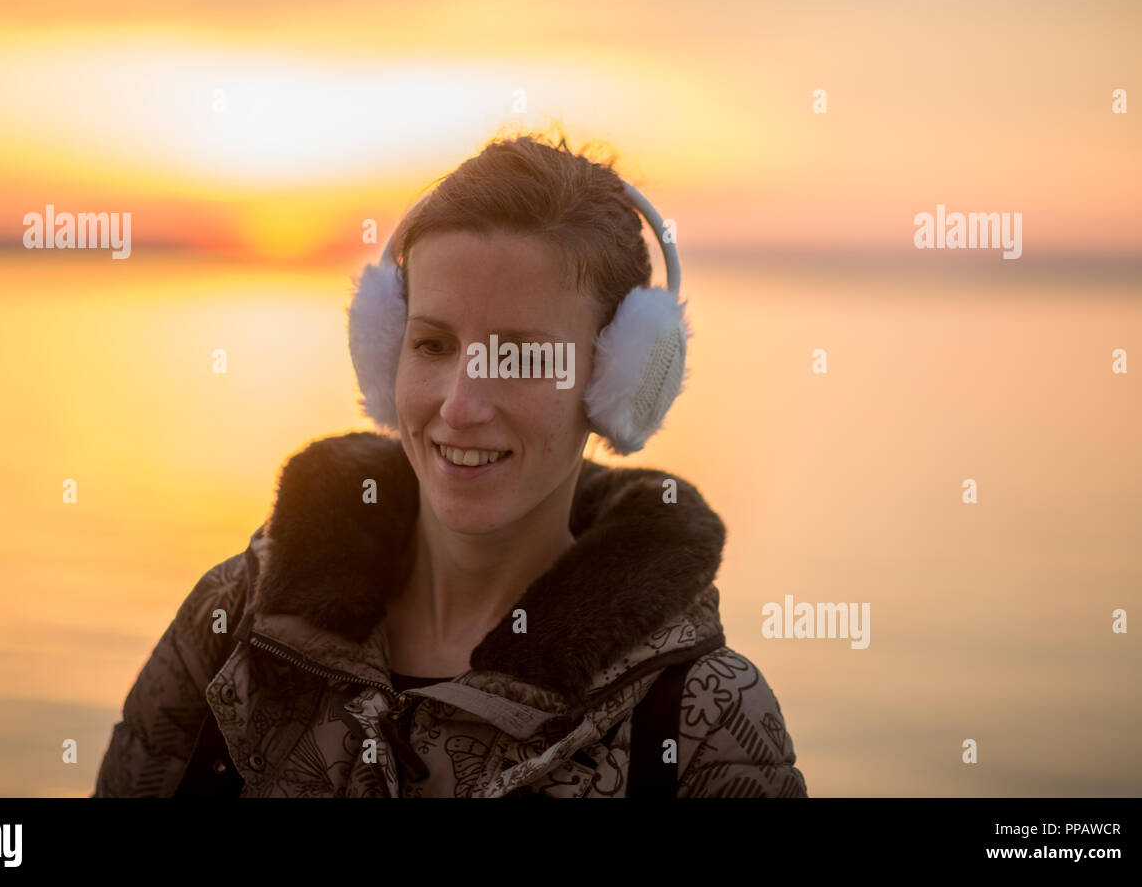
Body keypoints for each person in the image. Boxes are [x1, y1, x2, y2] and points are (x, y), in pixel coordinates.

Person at [93, 129, 807, 798]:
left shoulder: (700, 715)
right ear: (384, 352)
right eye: (432, 344)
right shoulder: (232, 621)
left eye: (520, 356)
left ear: (619, 381)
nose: (461, 405)